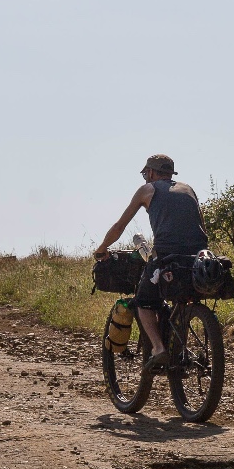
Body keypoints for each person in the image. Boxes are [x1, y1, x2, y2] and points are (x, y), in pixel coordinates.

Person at [93, 154, 207, 372]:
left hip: (167, 256)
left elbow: (119, 226)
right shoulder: (189, 189)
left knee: (143, 302)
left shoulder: (148, 190)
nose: (145, 178)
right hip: (197, 258)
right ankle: (179, 346)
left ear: (152, 172)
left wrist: (101, 249)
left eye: (146, 174)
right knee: (180, 299)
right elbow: (202, 227)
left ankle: (158, 348)